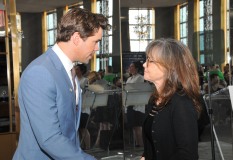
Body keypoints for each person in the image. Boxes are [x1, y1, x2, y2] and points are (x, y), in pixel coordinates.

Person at [13, 8, 110, 160]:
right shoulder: (40, 72)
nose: (97, 48)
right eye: (95, 41)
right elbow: (50, 139)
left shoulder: (68, 71)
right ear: (77, 38)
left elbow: (70, 131)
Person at [141, 38, 201, 160]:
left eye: (150, 60)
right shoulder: (154, 100)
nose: (143, 64)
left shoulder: (182, 103)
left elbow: (188, 155)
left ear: (169, 67)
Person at [126, 61, 145, 147]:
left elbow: (136, 89)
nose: (130, 68)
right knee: (133, 126)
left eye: (132, 67)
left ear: (136, 68)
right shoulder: (129, 79)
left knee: (138, 126)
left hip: (137, 105)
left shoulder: (140, 78)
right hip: (130, 104)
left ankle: (140, 144)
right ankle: (136, 144)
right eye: (130, 67)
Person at [75, 64, 91, 150]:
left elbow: (85, 93)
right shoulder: (74, 79)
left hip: (84, 108)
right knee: (78, 129)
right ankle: (80, 146)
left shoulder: (85, 80)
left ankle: (88, 146)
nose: (75, 70)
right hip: (76, 108)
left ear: (81, 71)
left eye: (77, 69)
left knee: (83, 128)